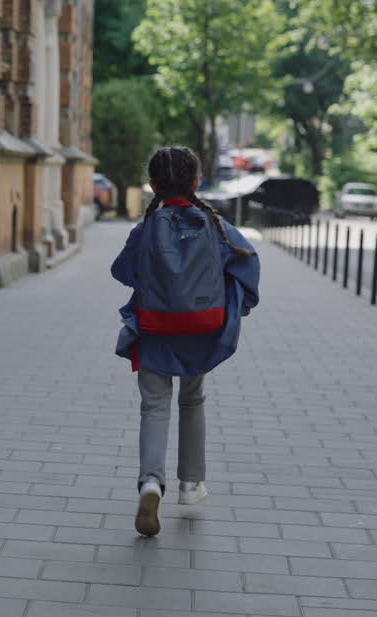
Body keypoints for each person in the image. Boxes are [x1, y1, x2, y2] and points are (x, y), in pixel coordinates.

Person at [110, 147, 261, 537]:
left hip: (154, 329)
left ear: (153, 184)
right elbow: (248, 267)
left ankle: (150, 483)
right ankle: (191, 484)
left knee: (153, 406)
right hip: (201, 331)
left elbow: (122, 271)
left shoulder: (146, 228)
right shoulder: (216, 227)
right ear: (197, 182)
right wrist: (230, 308)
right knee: (192, 401)